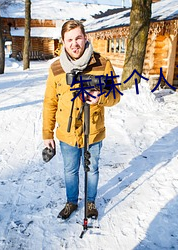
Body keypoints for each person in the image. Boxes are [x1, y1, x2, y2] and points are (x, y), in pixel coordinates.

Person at [42, 20, 120, 220]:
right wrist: (47, 134)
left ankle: (91, 202)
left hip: (93, 131)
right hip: (67, 134)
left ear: (85, 38)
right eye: (69, 40)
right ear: (63, 42)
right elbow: (50, 102)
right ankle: (71, 202)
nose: (74, 43)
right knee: (70, 170)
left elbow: (116, 96)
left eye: (78, 38)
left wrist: (100, 98)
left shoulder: (103, 64)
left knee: (92, 168)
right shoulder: (56, 68)